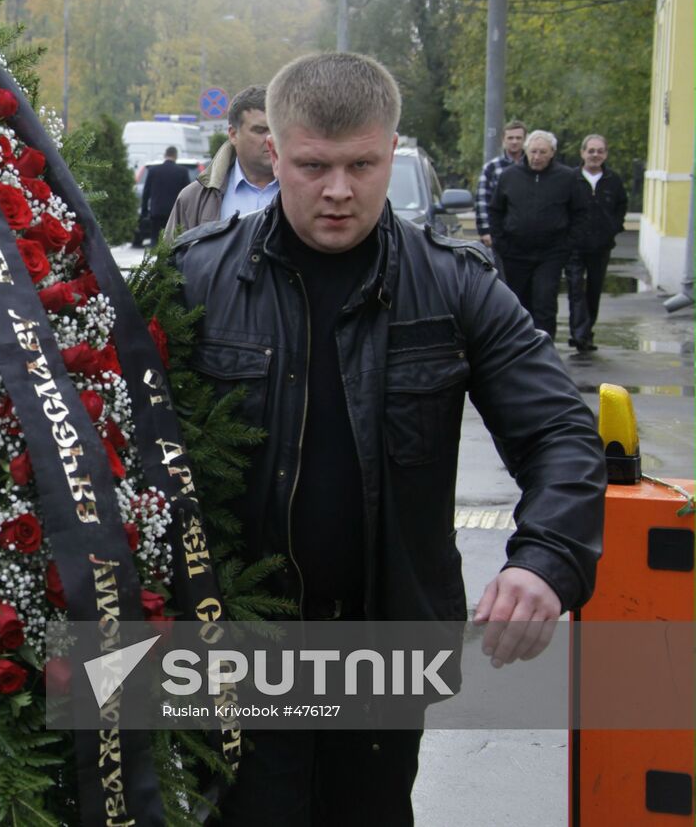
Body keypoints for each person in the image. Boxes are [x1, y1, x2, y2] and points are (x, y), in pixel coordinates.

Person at [174, 53, 604, 826]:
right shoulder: (194, 283)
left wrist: (548, 559)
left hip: (384, 643)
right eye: (314, 165)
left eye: (362, 165)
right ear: (273, 153)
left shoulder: (456, 286)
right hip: (233, 644)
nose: (339, 190)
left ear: (392, 150)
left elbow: (562, 433)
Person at [488, 130, 583, 339]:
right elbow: (495, 211)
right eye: (533, 152)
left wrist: (568, 244)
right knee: (515, 302)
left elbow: (579, 213)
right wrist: (501, 242)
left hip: (551, 254)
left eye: (542, 152)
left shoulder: (567, 177)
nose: (537, 157)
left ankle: (544, 348)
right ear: (526, 151)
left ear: (552, 153)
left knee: (545, 302)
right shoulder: (509, 176)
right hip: (514, 252)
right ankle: (515, 346)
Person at [164, 85, 277, 238]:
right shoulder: (194, 199)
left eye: (276, 130)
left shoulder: (309, 190)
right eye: (260, 130)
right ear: (233, 134)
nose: (271, 139)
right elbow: (170, 259)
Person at [565, 134, 628, 352]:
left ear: (605, 154)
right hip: (574, 246)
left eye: (599, 151)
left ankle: (587, 331)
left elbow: (621, 206)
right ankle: (579, 334)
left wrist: (614, 227)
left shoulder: (613, 180)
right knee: (575, 288)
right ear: (582, 153)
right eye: (591, 150)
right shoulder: (570, 179)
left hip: (601, 246)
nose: (595, 155)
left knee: (594, 290)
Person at [475, 118, 526, 249]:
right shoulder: (491, 168)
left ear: (525, 140)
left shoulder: (532, 166)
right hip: (500, 232)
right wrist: (485, 230)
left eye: (518, 138)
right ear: (503, 140)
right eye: (510, 138)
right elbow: (482, 200)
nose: (514, 142)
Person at [136, 146, 187, 246]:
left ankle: (155, 259)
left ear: (165, 155)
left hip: (156, 213)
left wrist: (144, 211)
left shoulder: (153, 171)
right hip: (174, 213)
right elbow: (187, 193)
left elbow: (146, 193)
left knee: (155, 239)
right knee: (173, 241)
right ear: (176, 156)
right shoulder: (182, 171)